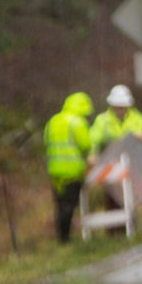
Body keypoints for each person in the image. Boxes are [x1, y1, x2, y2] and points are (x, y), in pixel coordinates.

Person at [44, 91, 95, 243]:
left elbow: (46, 141)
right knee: (69, 205)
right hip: (73, 171)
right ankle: (65, 239)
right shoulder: (78, 122)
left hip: (55, 171)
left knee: (60, 205)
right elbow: (86, 145)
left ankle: (62, 236)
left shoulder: (53, 120)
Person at [91, 84, 142, 153]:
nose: (119, 110)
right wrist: (93, 155)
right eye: (116, 107)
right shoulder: (102, 120)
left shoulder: (140, 120)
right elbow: (94, 141)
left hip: (133, 158)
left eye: (121, 108)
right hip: (111, 159)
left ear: (127, 106)